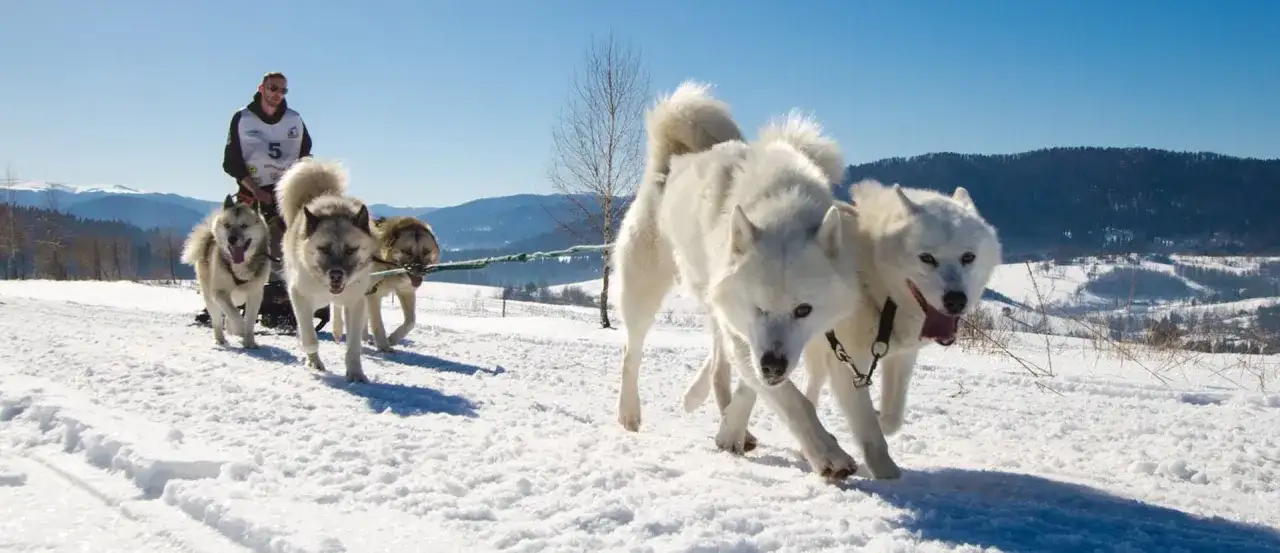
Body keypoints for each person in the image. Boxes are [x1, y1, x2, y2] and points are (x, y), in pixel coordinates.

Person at [197, 71, 328, 333]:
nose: (277, 93)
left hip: (287, 192)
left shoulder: (294, 120)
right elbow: (231, 162)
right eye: (273, 88)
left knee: (289, 244)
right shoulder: (243, 119)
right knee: (240, 243)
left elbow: (304, 156)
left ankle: (285, 304)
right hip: (253, 190)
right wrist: (256, 191)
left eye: (282, 90)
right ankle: (223, 299)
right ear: (262, 88)